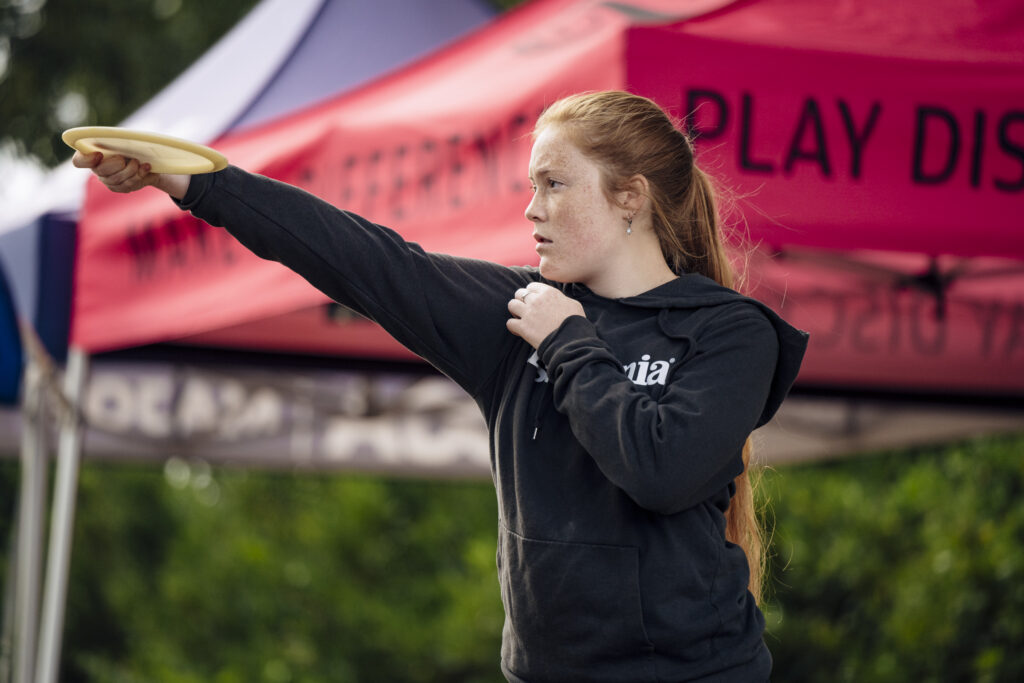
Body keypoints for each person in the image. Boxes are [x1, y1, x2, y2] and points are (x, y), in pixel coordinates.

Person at [75, 90, 807, 682]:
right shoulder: (519, 313)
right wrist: (194, 182)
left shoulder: (728, 333)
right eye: (531, 186)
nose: (531, 208)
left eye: (554, 184)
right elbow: (367, 259)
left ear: (630, 198)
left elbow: (661, 469)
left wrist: (567, 343)